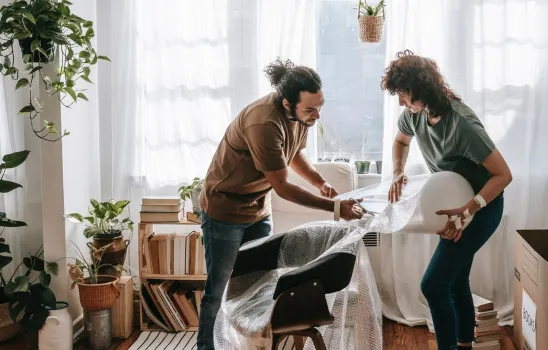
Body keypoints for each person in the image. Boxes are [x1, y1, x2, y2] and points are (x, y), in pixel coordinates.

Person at [196, 58, 364, 350]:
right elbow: (283, 187)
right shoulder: (263, 122)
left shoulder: (302, 117)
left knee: (260, 284)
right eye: (310, 109)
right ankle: (206, 347)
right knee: (220, 289)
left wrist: (318, 182)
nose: (317, 115)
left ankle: (251, 344)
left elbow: (294, 152)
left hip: (258, 208)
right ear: (287, 104)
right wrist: (336, 208)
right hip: (224, 210)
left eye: (320, 105)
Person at [382, 50, 512, 350]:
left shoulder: (462, 124)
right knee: (453, 281)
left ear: (422, 89)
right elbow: (401, 141)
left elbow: (503, 175)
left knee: (434, 284)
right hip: (458, 203)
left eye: (404, 94)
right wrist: (398, 172)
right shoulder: (415, 114)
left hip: (484, 206)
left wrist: (469, 210)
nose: (401, 102)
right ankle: (465, 344)